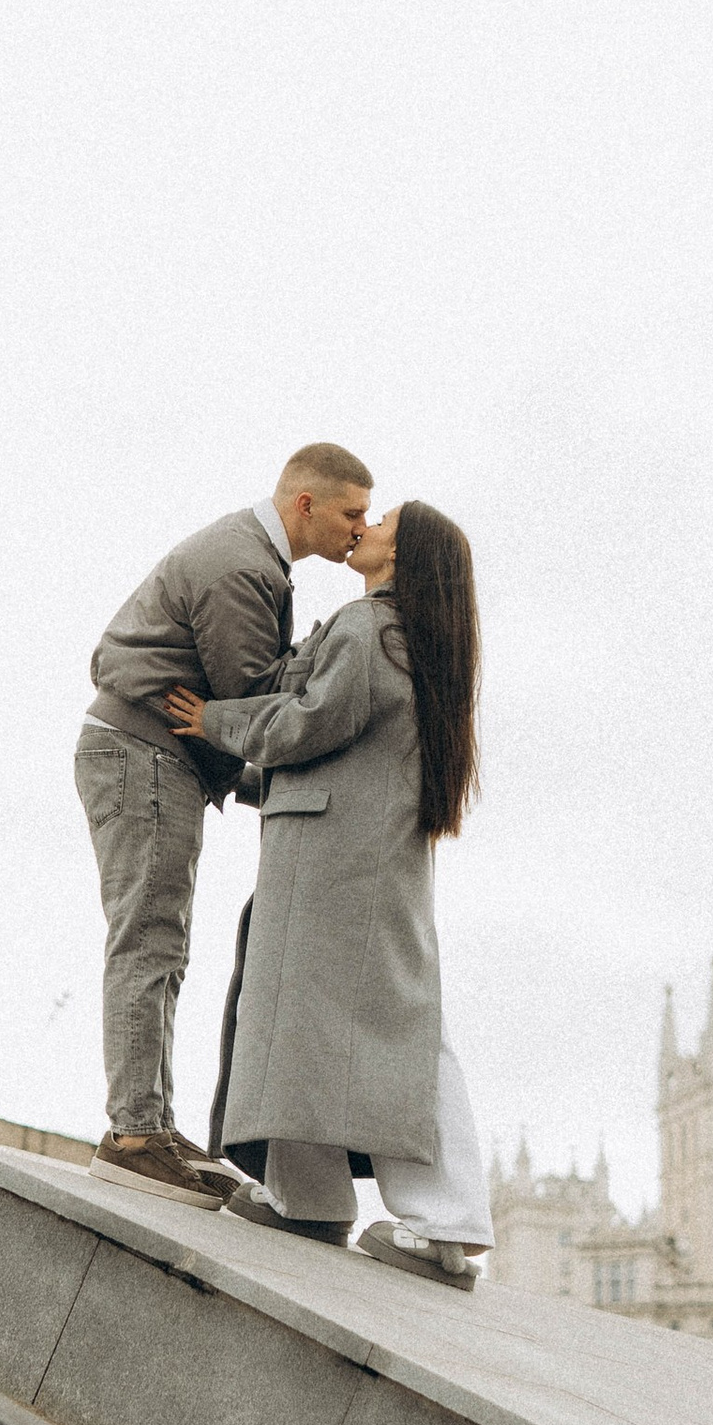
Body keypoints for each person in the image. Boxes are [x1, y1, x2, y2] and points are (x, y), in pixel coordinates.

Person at [165, 500, 491, 1290]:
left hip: (337, 861)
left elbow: (308, 723)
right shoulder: (408, 641)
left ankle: (446, 1223)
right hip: (350, 853)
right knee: (312, 1019)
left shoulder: (369, 629)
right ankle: (310, 1197)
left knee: (379, 1025)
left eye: (382, 522)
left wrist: (216, 722)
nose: (365, 526)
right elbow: (344, 748)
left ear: (401, 555)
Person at [76, 445, 374, 1206]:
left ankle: (148, 1123)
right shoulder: (243, 568)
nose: (358, 529)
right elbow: (255, 706)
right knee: (151, 940)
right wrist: (325, 658)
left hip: (152, 757)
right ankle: (137, 1136)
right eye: (351, 513)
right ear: (306, 505)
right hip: (143, 756)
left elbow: (237, 712)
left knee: (158, 941)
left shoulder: (253, 559)